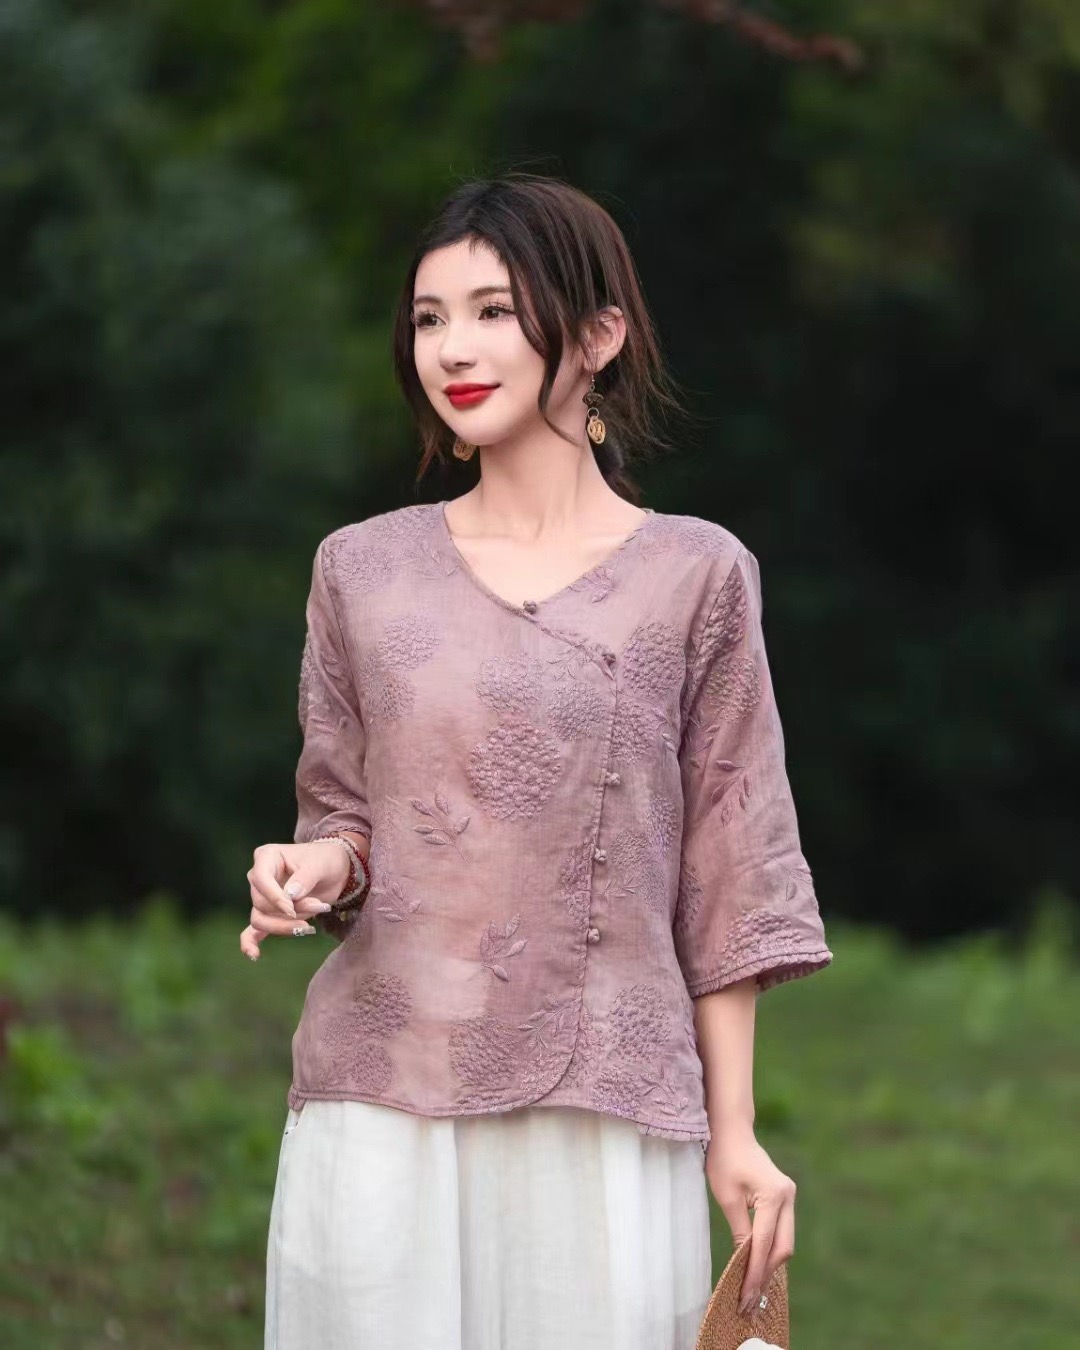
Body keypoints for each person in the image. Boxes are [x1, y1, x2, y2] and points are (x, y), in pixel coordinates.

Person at [240, 171, 833, 1350]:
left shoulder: (698, 576)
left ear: (599, 336)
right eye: (429, 317)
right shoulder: (361, 569)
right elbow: (346, 818)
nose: (453, 348)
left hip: (604, 1109)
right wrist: (313, 868)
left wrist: (735, 1130)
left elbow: (731, 869)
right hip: (384, 1099)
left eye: (495, 311)